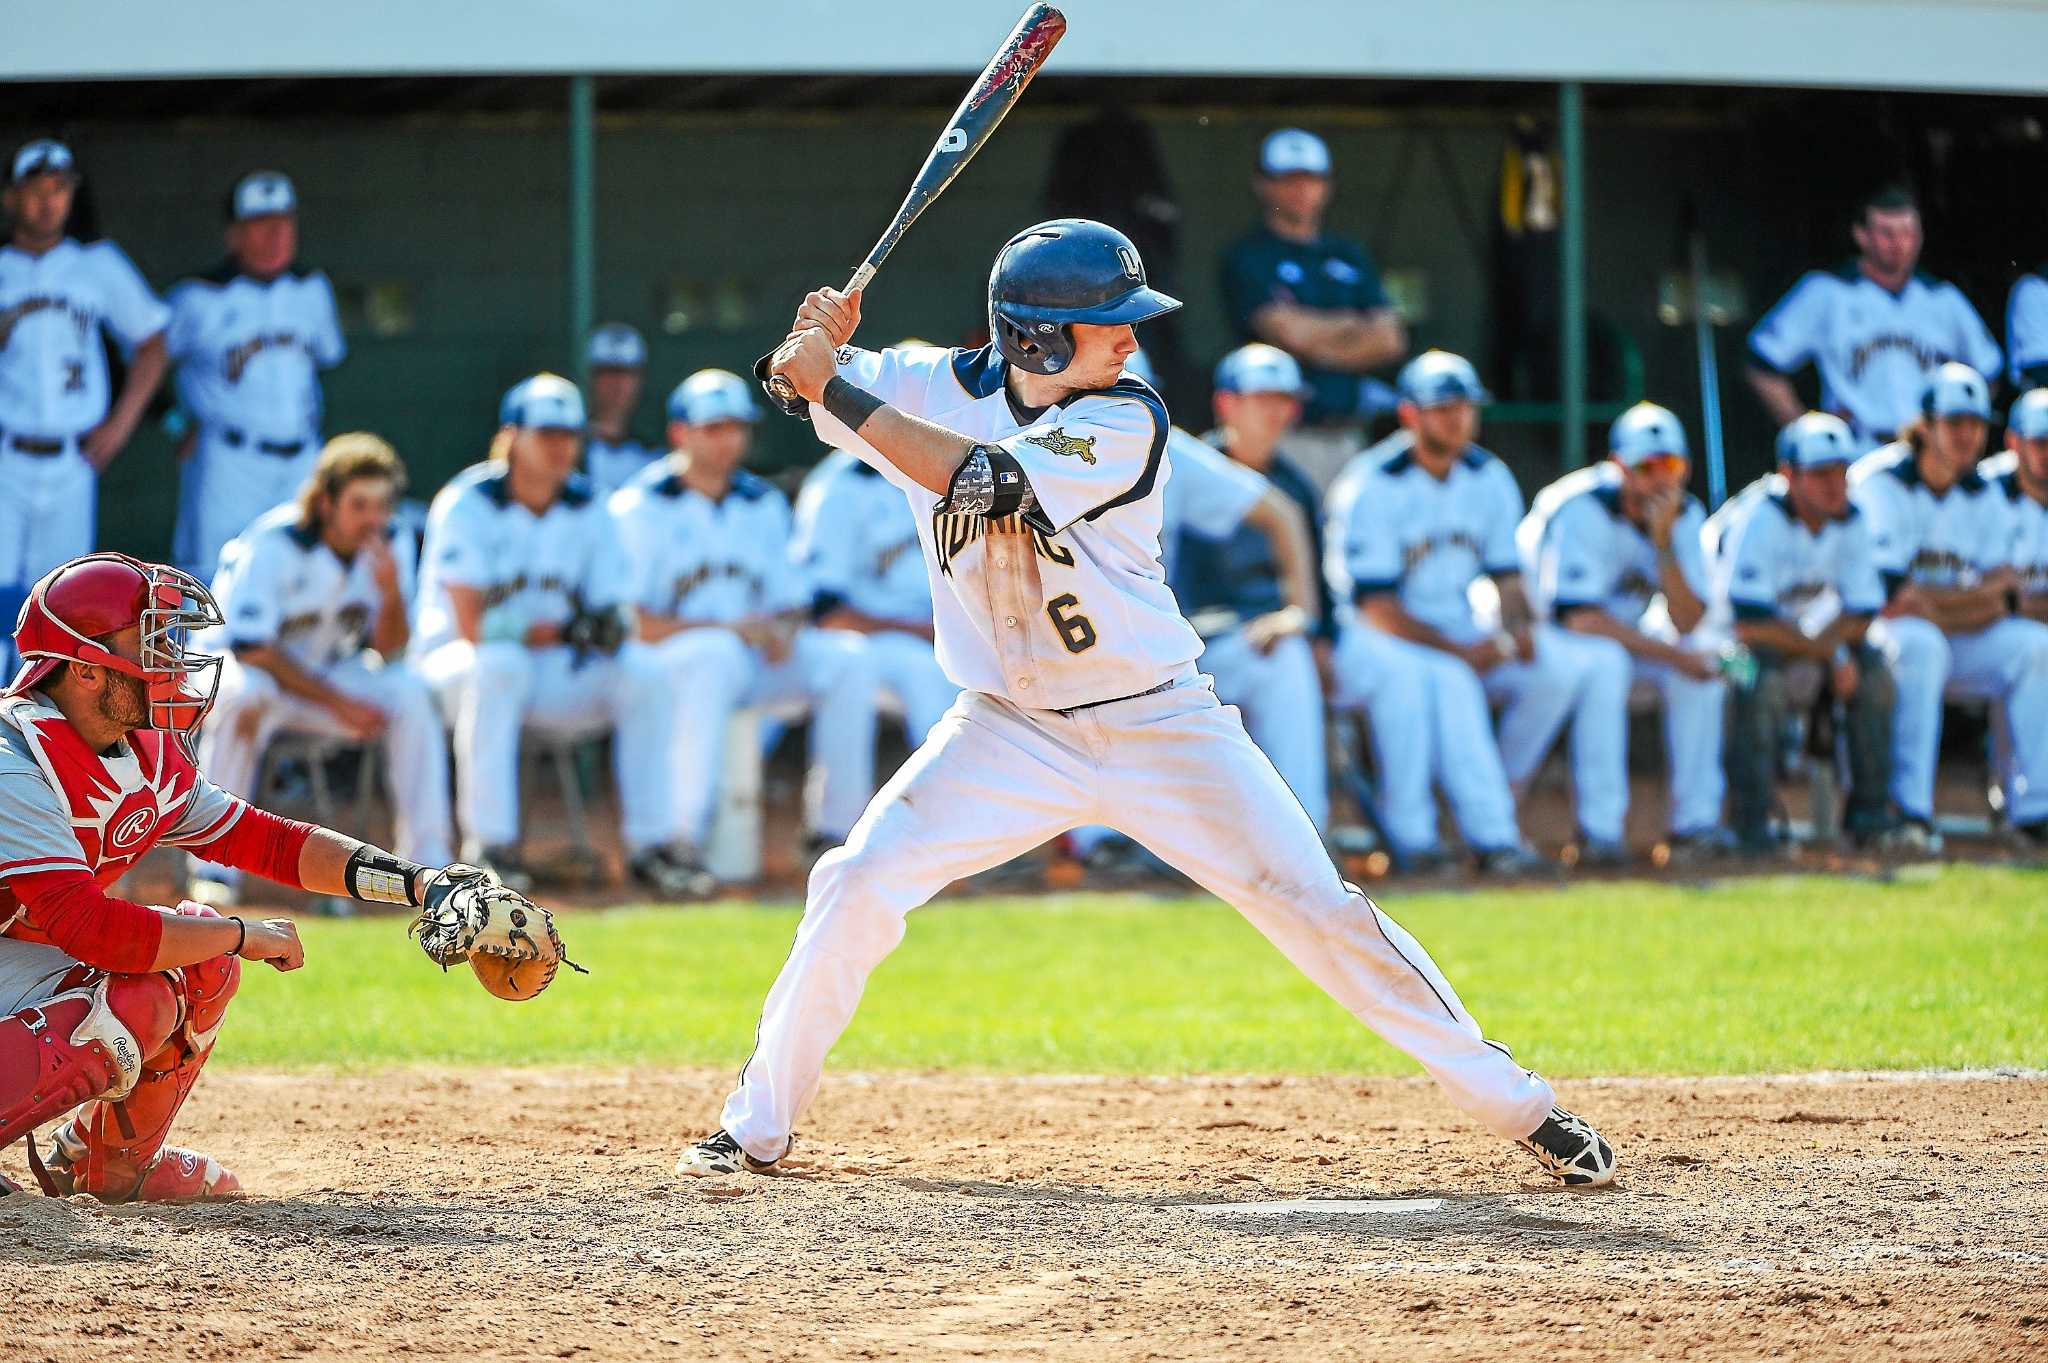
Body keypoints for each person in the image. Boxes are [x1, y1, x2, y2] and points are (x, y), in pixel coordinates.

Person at [675, 218, 1615, 1189]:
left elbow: (977, 480)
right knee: (855, 876)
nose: (1130, 338)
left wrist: (829, 376)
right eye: (1108, 323)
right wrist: (806, 348)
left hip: (1159, 723)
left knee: (1316, 907)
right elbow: (801, 388)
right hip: (1007, 728)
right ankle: (757, 1125)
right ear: (1033, 338)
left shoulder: (1128, 417)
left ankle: (1520, 1106)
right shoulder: (920, 382)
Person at [0, 552, 494, 1201]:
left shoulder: (138, 751)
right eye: (149, 642)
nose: (171, 660)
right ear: (86, 669)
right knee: (162, 976)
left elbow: (268, 840)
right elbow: (90, 928)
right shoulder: (16, 761)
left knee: (195, 966)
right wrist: (240, 933)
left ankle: (105, 1166)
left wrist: (418, 884)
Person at [611, 369, 879, 893]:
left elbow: (789, 600)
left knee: (849, 658)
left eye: (736, 426)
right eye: (713, 427)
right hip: (670, 666)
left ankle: (835, 831)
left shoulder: (762, 503)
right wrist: (728, 629)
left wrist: (782, 627)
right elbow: (632, 624)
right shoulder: (639, 507)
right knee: (715, 653)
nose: (728, 439)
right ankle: (679, 839)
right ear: (679, 434)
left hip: (750, 661)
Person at [413, 374, 667, 891]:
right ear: (511, 437)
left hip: (545, 670)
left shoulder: (591, 505)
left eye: (569, 434)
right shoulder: (468, 502)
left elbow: (611, 614)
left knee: (643, 671)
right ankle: (489, 848)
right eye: (546, 433)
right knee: (500, 663)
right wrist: (563, 629)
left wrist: (608, 629)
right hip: (453, 666)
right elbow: (473, 625)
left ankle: (655, 845)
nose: (560, 446)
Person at [1325, 350, 1571, 874]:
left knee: (1553, 670)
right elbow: (1376, 606)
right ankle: (1441, 835)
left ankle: (1493, 800)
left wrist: (1516, 631)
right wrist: (1461, 651)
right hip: (1368, 634)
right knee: (1444, 677)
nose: (1458, 418)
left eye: (1466, 406)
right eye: (1443, 408)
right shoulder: (1372, 483)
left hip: (1450, 623)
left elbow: (1507, 577)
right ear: (1409, 415)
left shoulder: (1488, 475)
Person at [189, 434, 453, 902]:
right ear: (327, 501)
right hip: (242, 673)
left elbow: (392, 651)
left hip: (324, 675)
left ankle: (429, 866)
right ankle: (214, 870)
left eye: (382, 505)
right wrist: (341, 704)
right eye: (359, 505)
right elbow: (252, 648)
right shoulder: (275, 541)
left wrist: (390, 592)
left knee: (411, 693)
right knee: (244, 696)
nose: (373, 519)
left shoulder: (388, 546)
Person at [1516, 403, 1730, 864]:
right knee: (1607, 663)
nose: (1660, 479)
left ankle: (1695, 825)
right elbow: (1580, 619)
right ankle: (1601, 830)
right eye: (1646, 467)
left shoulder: (1683, 516)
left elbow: (1688, 621)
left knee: (1702, 662)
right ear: (1619, 467)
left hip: (1622, 636)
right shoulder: (1579, 507)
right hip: (1544, 636)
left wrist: (1664, 544)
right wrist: (1673, 656)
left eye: (1669, 465)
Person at [1849, 363, 2048, 849]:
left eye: (1976, 423)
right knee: (1921, 644)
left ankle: (2035, 808)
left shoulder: (1982, 493)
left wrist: (1937, 605)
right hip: (1881, 638)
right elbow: (1891, 599)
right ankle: (1909, 810)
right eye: (1955, 422)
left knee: (2033, 645)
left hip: (1950, 632)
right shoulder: (1878, 481)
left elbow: (2005, 599)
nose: (1967, 434)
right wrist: (1969, 601)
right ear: (1925, 426)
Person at [0, 139, 169, 677]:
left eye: (59, 190)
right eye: (36, 190)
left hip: (74, 458)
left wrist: (119, 426)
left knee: (60, 605)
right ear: (11, 198)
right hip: (7, 453)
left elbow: (151, 342)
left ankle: (35, 742)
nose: (48, 202)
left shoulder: (96, 265)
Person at [1710, 413, 1896, 851]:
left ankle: (1870, 817)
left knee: (1875, 671)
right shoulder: (1758, 517)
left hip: (1799, 641)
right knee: (1757, 679)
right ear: (1788, 475)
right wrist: (1829, 652)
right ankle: (1750, 824)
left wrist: (1831, 650)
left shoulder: (1850, 519)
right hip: (1716, 646)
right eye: (1820, 474)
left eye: (1841, 472)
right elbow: (1748, 625)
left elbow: (1864, 611)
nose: (1835, 485)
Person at [1168, 343, 1329, 831]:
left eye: (1284, 400)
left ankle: (1309, 837)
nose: (1276, 412)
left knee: (1290, 656)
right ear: (1227, 403)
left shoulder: (1295, 485)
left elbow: (1315, 586)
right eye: (1263, 398)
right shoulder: (1193, 465)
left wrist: (1309, 622)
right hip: (1189, 645)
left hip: (1254, 646)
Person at [167, 171, 346, 582]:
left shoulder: (312, 289)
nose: (276, 235)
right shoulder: (197, 296)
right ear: (234, 234)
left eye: (284, 222)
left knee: (304, 575)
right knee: (210, 582)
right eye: (261, 224)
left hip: (301, 458)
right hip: (228, 459)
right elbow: (142, 358)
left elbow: (326, 359)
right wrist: (173, 421)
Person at [1746, 185, 2001, 450]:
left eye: (1908, 232)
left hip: (1928, 456)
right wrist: (1809, 433)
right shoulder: (1826, 292)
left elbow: (1988, 372)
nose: (1899, 243)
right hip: (1858, 452)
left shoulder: (1943, 298)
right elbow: (1762, 364)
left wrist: (1960, 436)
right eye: (1886, 233)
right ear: (1861, 235)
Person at [1221, 129, 1407, 490]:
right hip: (1283, 438)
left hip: (1350, 434)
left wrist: (1316, 341)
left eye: (1311, 179)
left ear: (1327, 185)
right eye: (1288, 179)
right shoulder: (1250, 255)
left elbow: (1390, 339)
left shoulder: (1347, 254)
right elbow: (1289, 333)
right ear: (1264, 185)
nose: (1301, 190)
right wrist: (1355, 326)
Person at [792, 395, 959, 747]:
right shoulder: (839, 487)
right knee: (929, 673)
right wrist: (921, 630)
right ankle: (943, 798)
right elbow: (825, 613)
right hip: (877, 637)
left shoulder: (954, 472)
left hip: (943, 632)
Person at [1979, 388, 2048, 837]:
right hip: (1981, 627)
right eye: (2041, 442)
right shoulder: (1981, 492)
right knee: (2030, 648)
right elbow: (1991, 596)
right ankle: (2031, 803)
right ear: (2014, 442)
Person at [582, 322, 658, 496]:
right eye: (609, 372)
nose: (619, 383)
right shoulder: (570, 448)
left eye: (629, 373)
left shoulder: (653, 452)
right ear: (591, 377)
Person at [2006, 267, 2048, 392]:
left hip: (2029, 366)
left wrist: (2014, 373)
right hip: (2035, 364)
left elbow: (2013, 334)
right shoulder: (2036, 288)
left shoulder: (2019, 288)